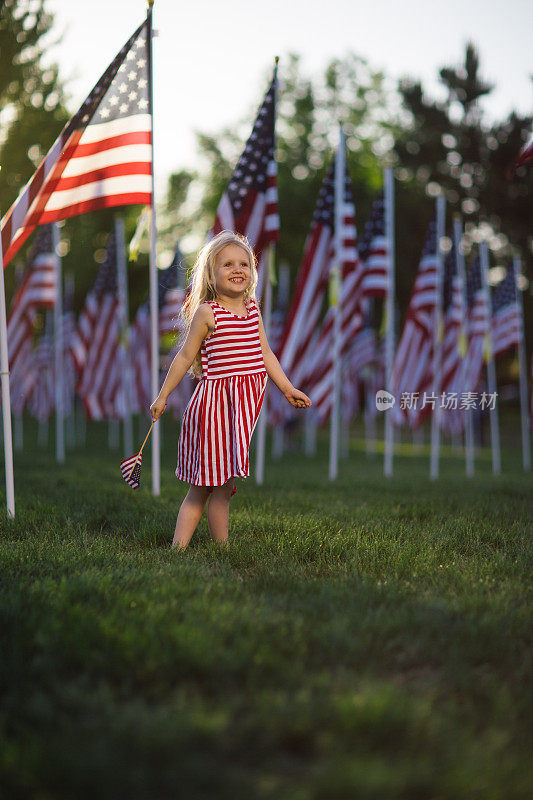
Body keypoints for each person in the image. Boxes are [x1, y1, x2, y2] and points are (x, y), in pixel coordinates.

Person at [150, 230, 311, 550]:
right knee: (203, 487)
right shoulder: (208, 312)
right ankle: (177, 551)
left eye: (244, 264)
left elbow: (265, 353)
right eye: (227, 264)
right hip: (213, 412)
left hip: (240, 414)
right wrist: (163, 395)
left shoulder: (252, 310)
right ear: (211, 273)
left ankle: (221, 550)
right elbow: (184, 356)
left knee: (224, 486)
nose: (238, 269)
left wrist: (287, 387)